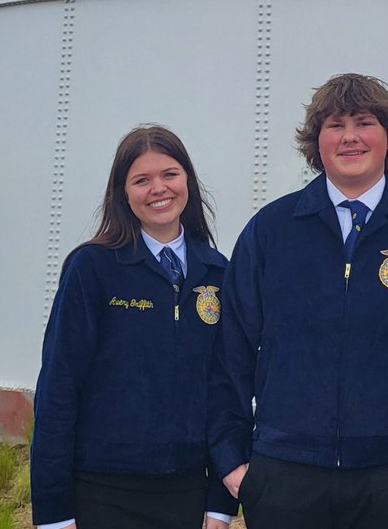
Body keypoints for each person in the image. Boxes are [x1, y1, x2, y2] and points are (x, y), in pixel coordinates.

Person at [209, 73, 388, 529]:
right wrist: (231, 457)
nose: (350, 137)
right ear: (317, 141)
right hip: (285, 475)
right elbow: (231, 349)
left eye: (364, 123)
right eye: (335, 125)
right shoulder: (271, 232)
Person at [31, 125, 237, 529]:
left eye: (170, 174)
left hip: (186, 492)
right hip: (102, 492)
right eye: (141, 180)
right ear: (122, 193)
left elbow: (226, 391)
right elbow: (58, 387)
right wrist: (55, 513)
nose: (158, 189)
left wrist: (220, 504)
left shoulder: (217, 273)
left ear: (188, 181)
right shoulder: (92, 269)